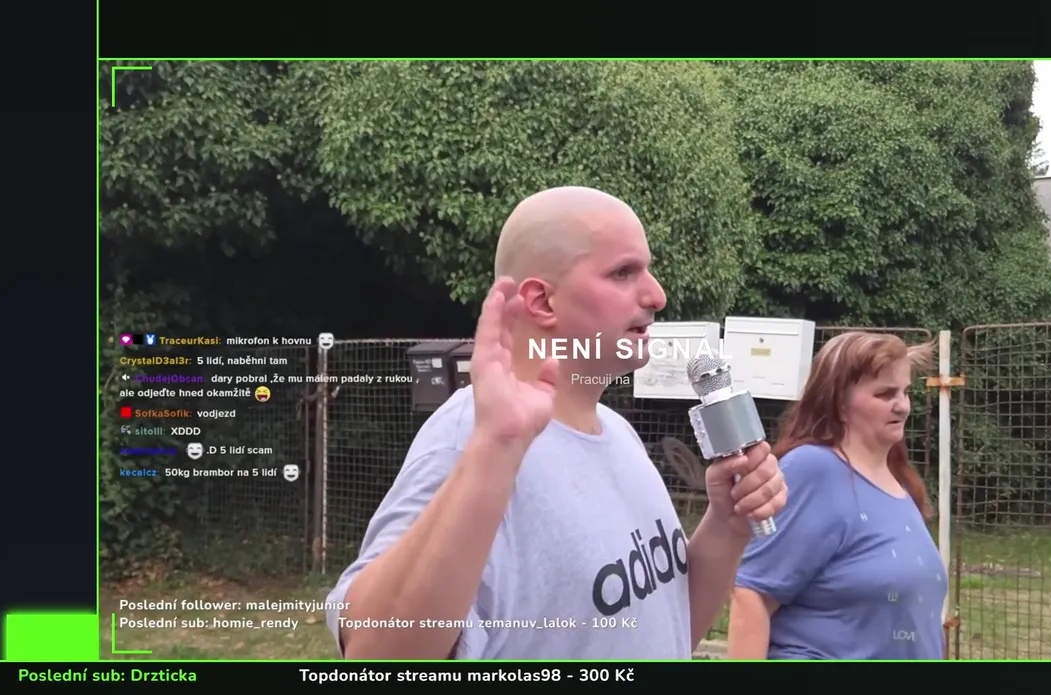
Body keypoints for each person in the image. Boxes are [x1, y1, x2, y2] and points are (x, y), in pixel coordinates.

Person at [325, 186, 787, 660]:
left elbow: (665, 632)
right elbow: (376, 654)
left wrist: (728, 523)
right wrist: (495, 450)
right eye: (623, 273)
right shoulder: (469, 442)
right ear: (542, 302)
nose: (657, 295)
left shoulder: (616, 432)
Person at [726, 331, 946, 660]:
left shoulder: (897, 481)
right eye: (885, 394)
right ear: (839, 403)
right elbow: (751, 593)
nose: (902, 405)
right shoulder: (813, 469)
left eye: (905, 392)